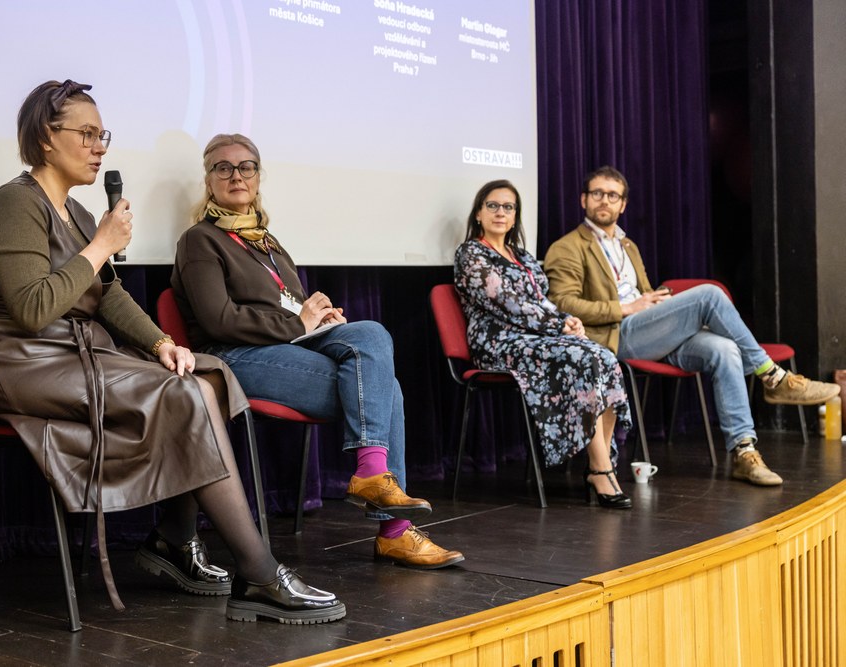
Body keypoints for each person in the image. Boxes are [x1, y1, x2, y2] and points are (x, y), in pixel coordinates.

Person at [0, 80, 344, 625]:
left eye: (102, 134)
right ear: (47, 138)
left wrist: (163, 343)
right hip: (20, 363)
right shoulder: (14, 204)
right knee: (186, 394)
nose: (100, 146)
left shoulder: (79, 215)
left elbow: (107, 295)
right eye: (87, 134)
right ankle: (257, 572)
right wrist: (101, 247)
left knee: (207, 376)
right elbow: (31, 308)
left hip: (72, 355)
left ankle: (176, 542)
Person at [171, 133, 464, 568]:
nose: (236, 175)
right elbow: (218, 320)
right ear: (209, 180)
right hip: (232, 358)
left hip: (285, 344)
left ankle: (374, 482)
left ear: (258, 177)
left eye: (246, 166)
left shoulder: (267, 242)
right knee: (387, 392)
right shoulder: (200, 240)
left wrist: (321, 318)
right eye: (224, 167)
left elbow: (292, 305)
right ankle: (392, 527)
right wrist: (297, 322)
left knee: (370, 334)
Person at [543, 165, 841, 486]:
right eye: (597, 194)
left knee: (725, 349)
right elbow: (563, 304)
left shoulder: (628, 246)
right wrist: (626, 307)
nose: (604, 201)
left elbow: (639, 292)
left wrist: (654, 300)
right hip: (615, 337)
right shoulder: (566, 247)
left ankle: (744, 452)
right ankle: (772, 376)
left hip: (648, 331)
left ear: (623, 204)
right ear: (583, 199)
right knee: (709, 295)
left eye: (612, 195)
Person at [454, 180, 633, 509]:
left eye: (508, 207)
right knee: (586, 357)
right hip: (497, 341)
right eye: (492, 205)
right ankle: (601, 469)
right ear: (478, 213)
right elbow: (505, 303)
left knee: (603, 357)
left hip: (536, 337)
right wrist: (558, 325)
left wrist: (568, 319)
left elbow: (541, 302)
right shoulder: (471, 254)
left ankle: (600, 465)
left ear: (515, 217)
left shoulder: (523, 256)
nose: (500, 212)